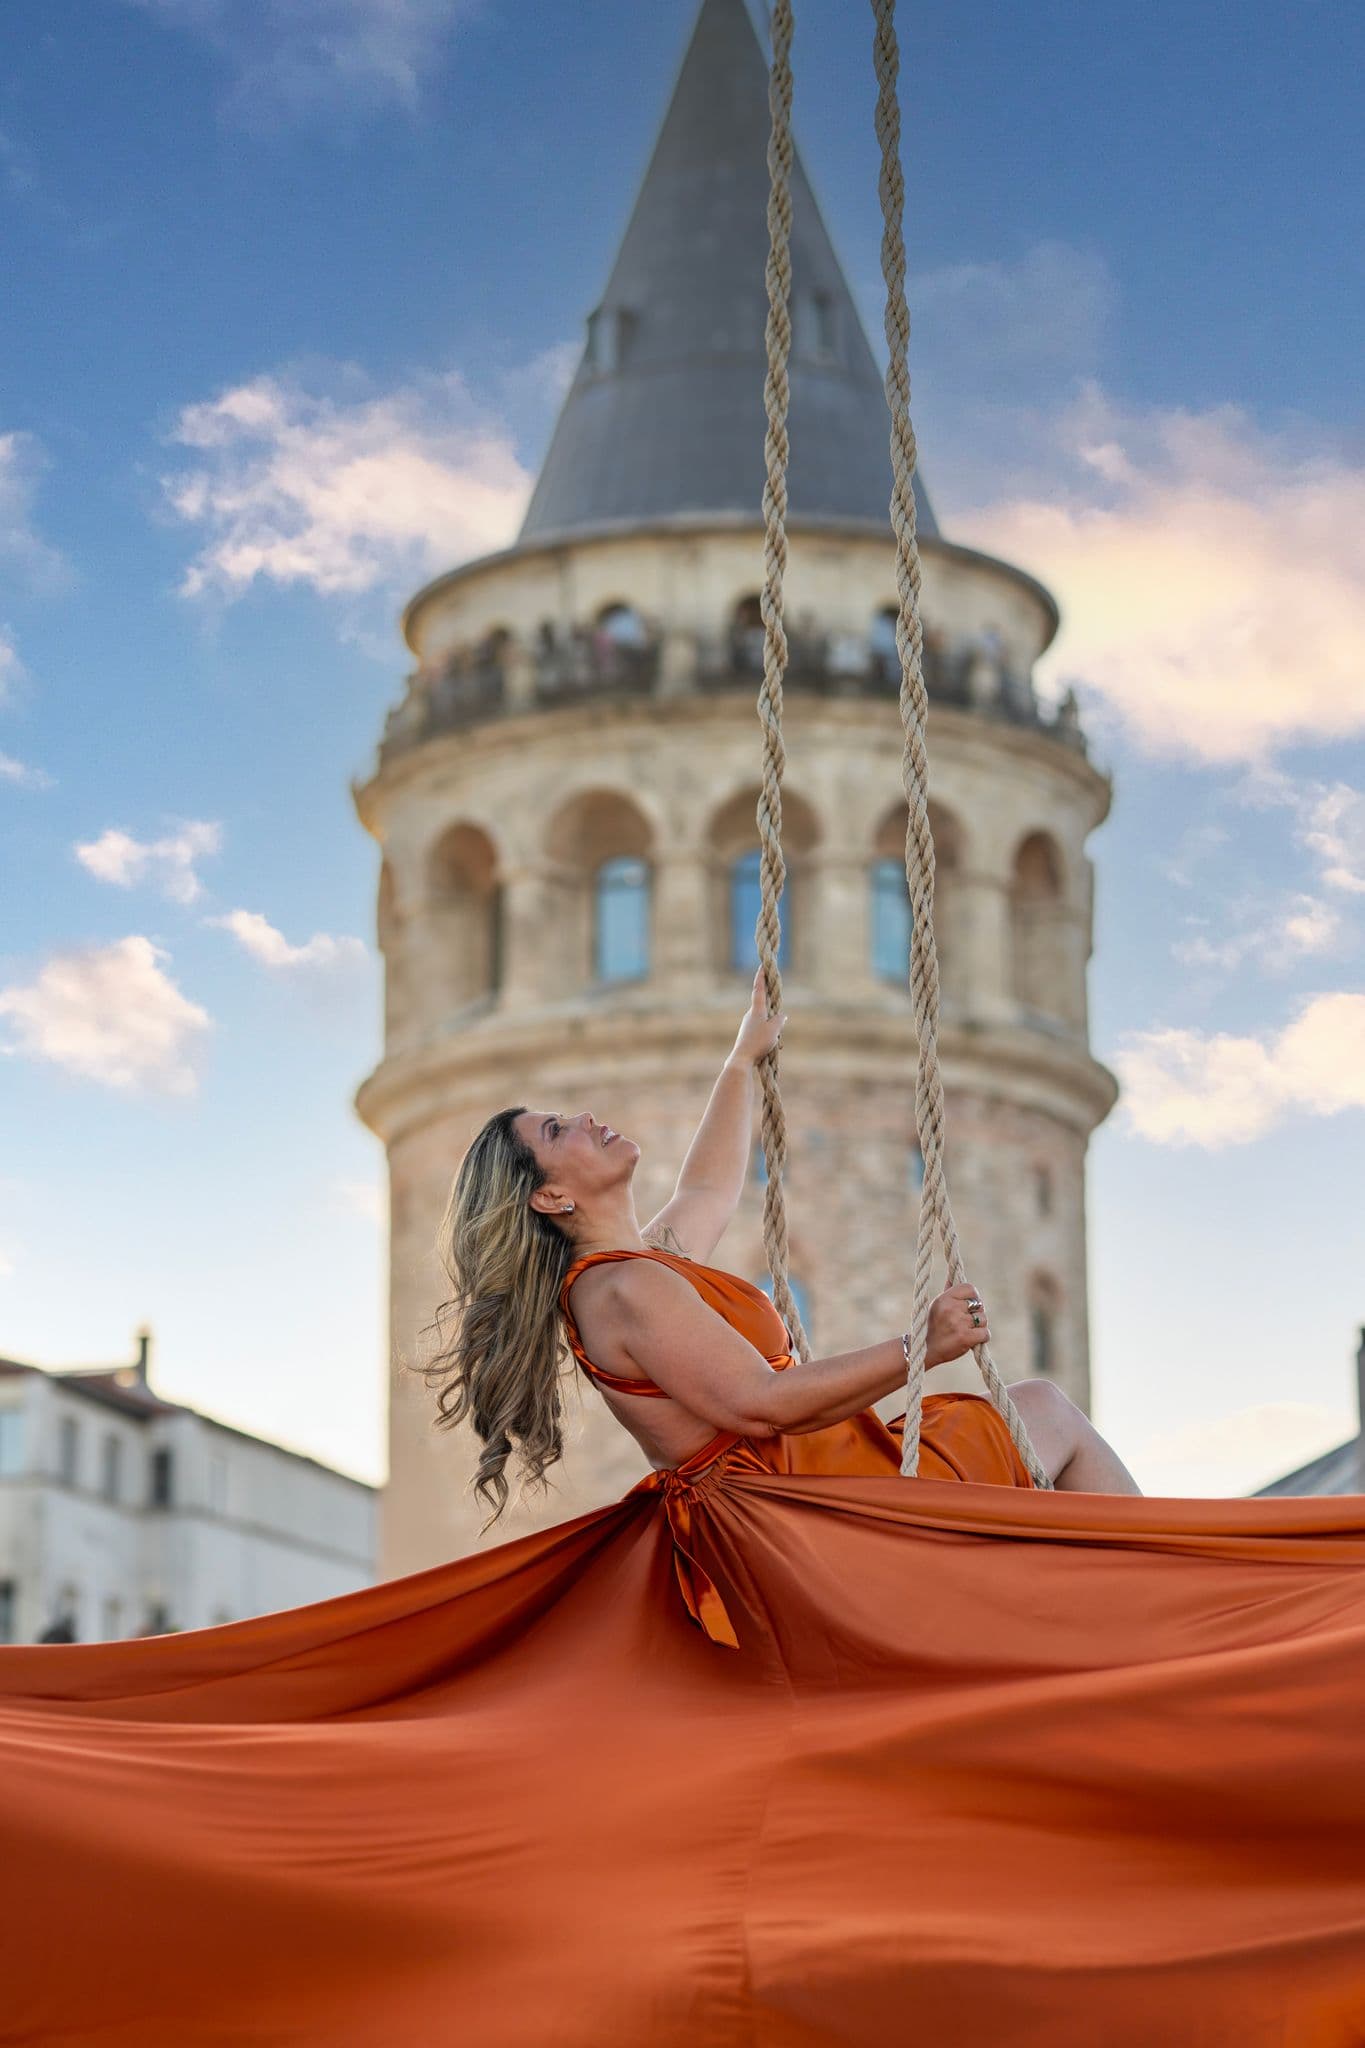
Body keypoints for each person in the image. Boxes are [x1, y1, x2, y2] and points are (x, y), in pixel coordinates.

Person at [424, 966, 1141, 1572]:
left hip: (817, 1482)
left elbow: (707, 1190)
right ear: (550, 1195)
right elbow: (758, 1402)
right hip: (805, 1513)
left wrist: (741, 1061)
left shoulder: (637, 1268)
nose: (583, 1117)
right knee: (1046, 1412)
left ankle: (1155, 1595)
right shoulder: (621, 1288)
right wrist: (920, 1347)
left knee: (1042, 1411)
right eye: (556, 1130)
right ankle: (1171, 1593)